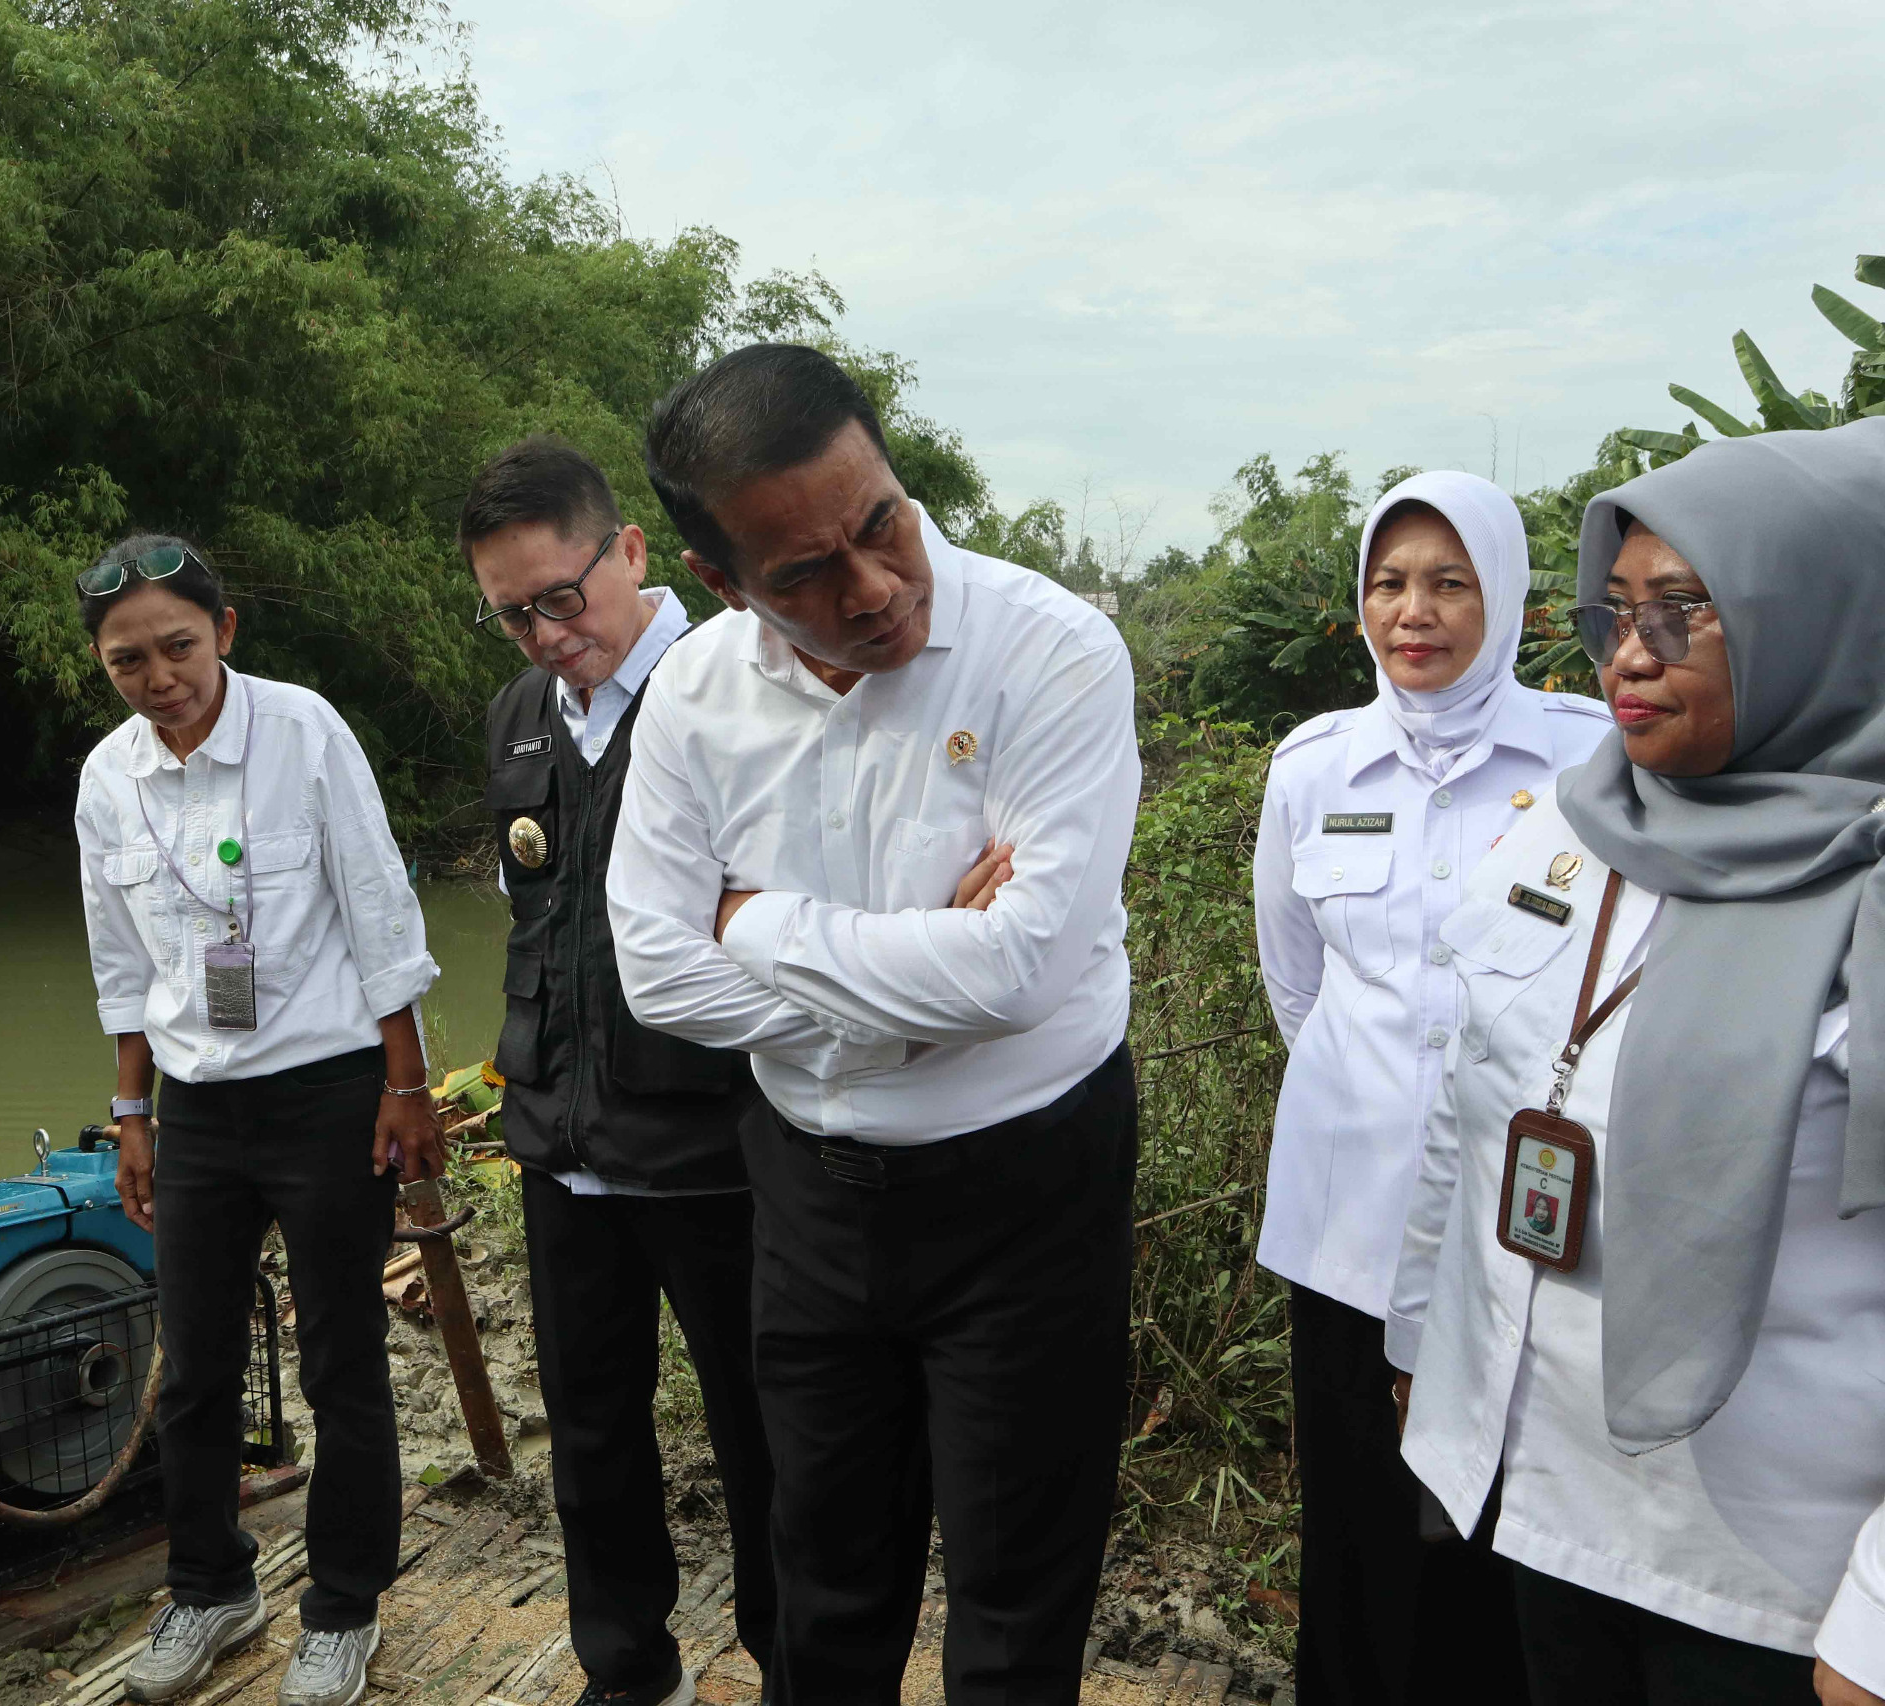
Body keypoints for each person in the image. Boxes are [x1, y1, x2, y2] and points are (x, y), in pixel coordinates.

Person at [607, 344, 1140, 1705]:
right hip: (806, 1197)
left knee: (1019, 1598)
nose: (878, 587)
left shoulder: (1051, 650)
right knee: (824, 1577)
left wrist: (754, 923)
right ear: (722, 584)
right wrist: (915, 996)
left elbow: (1018, 975)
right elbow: (654, 976)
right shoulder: (693, 695)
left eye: (882, 521)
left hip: (1027, 1186)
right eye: (807, 575)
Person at [1387, 418, 1885, 1706]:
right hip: (1547, 1498)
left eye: (1683, 611)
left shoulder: (1867, 890)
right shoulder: (1574, 823)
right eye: (1614, 611)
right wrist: (1424, 1355)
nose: (1627, 657)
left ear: (1821, 620)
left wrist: (1881, 1619)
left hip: (1768, 1576)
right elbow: (1473, 1108)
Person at [1253, 471, 1608, 1704]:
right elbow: (1295, 984)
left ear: (1503, 593)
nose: (1416, 611)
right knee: (1356, 1522)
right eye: (1390, 581)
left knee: (1503, 1529)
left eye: (1449, 581)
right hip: (1348, 1222)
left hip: (1518, 1233)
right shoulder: (1313, 768)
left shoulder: (1588, 756)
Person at [72, 535, 443, 1706]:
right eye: (127, 659)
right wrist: (132, 1110)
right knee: (194, 1365)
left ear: (223, 631)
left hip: (331, 1090)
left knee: (342, 1361)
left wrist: (408, 1082)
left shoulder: (303, 731)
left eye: (177, 644)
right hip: (198, 1108)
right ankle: (209, 1583)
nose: (157, 674)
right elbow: (120, 960)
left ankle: (343, 1607)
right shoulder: (106, 777)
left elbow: (379, 909)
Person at [461, 435, 774, 1706]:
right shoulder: (520, 719)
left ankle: (790, 1662)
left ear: (630, 551)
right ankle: (626, 1668)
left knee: (767, 1432)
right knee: (588, 1424)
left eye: (559, 597)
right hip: (563, 1142)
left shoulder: (739, 690)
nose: (541, 633)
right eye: (508, 614)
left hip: (718, 1145)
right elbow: (535, 916)